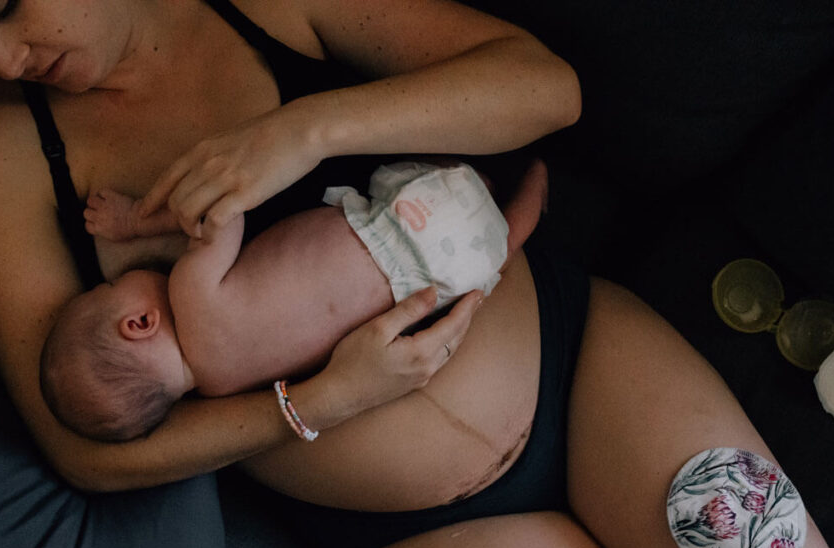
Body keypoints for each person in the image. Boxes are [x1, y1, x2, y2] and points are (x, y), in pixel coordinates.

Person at [0, 0, 834, 548]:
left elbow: (544, 86)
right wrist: (317, 403)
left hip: (587, 372)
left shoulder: (261, 6)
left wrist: (304, 131)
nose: (4, 60)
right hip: (427, 536)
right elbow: (81, 448)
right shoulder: (5, 151)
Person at [42, 159, 544, 442]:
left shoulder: (221, 390)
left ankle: (531, 200)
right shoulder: (187, 292)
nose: (121, 277)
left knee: (499, 250)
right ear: (139, 323)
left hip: (424, 285)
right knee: (459, 176)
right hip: (394, 222)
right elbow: (223, 216)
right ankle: (500, 176)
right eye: (110, 286)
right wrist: (134, 223)